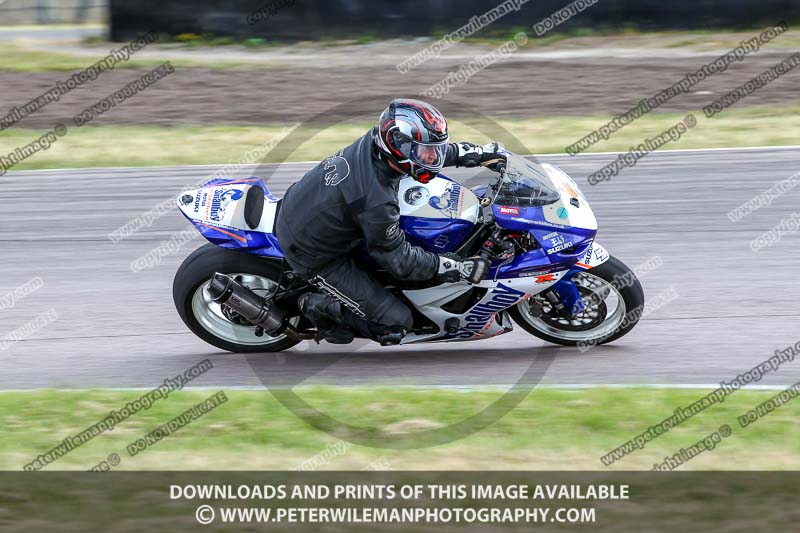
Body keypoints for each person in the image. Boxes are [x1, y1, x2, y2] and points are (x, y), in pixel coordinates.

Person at [274, 98, 507, 345]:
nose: (432, 157)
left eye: (435, 148)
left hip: (313, 209)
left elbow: (427, 154)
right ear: (398, 145)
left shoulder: (378, 142)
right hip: (314, 254)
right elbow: (399, 261)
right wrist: (456, 267)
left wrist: (479, 154)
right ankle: (315, 305)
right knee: (395, 322)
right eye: (424, 150)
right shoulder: (377, 200)